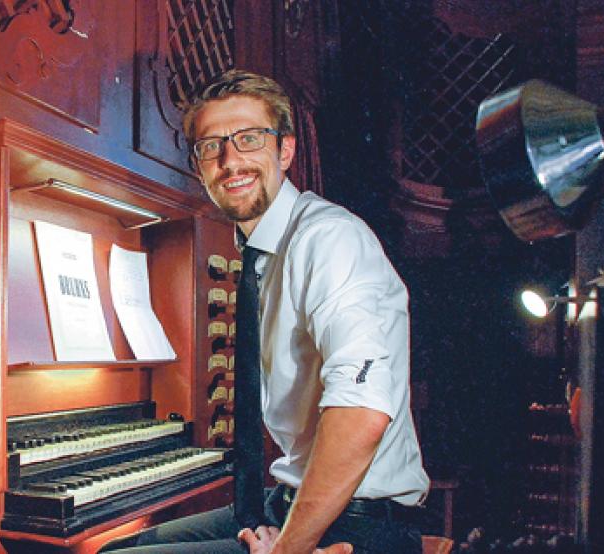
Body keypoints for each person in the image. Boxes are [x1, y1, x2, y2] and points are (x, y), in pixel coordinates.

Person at [99, 69, 429, 554]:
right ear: (200, 167)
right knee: (115, 550)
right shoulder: (259, 254)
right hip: (289, 499)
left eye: (249, 139)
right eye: (211, 147)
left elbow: (362, 412)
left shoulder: (328, 238)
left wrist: (291, 546)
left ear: (285, 151)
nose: (230, 161)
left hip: (361, 524)